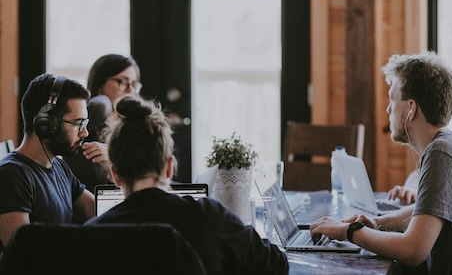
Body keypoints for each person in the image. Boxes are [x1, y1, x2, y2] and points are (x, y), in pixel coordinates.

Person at [310, 52, 452, 274]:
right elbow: (429, 208)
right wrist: (378, 223)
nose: (388, 109)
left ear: (411, 109)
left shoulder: (443, 153)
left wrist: (348, 231)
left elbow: (413, 251)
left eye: (392, 100)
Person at [84, 95, 288, 274]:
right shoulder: (207, 215)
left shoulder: (92, 234)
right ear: (169, 167)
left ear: (115, 174)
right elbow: (275, 265)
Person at [0, 74, 107, 248]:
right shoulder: (12, 175)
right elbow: (22, 255)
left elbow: (101, 213)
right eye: (78, 123)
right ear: (46, 124)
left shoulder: (58, 166)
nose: (84, 133)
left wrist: (114, 168)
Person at [67, 54, 142, 193]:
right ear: (100, 85)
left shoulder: (135, 124)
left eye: (133, 84)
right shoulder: (91, 118)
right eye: (122, 82)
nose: (130, 90)